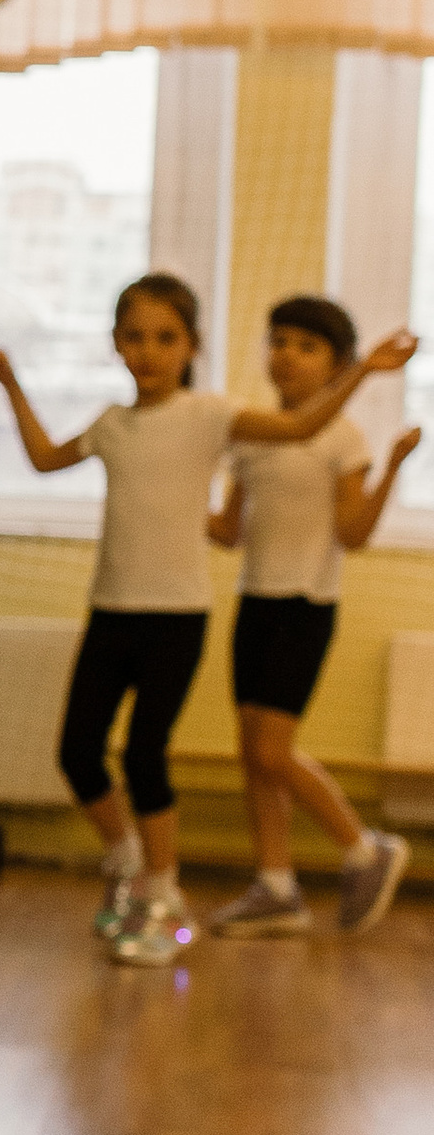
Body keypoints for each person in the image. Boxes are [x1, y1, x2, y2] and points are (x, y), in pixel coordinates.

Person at [0, 274, 411, 963]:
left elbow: (309, 434)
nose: (148, 352)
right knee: (97, 750)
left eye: (166, 338)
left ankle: (186, 889)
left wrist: (366, 374)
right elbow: (49, 461)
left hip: (216, 615)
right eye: (134, 337)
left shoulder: (223, 417)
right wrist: (9, 384)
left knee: (187, 754)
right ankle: (188, 871)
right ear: (116, 344)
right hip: (159, 608)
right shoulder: (122, 426)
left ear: (191, 347)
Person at [205, 292, 416, 936]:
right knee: (251, 752)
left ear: (337, 364)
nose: (287, 355)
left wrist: (393, 469)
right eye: (279, 341)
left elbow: (353, 535)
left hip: (306, 606)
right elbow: (227, 531)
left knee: (273, 750)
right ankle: (275, 886)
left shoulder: (343, 437)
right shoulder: (249, 435)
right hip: (255, 603)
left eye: (306, 345)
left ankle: (365, 847)